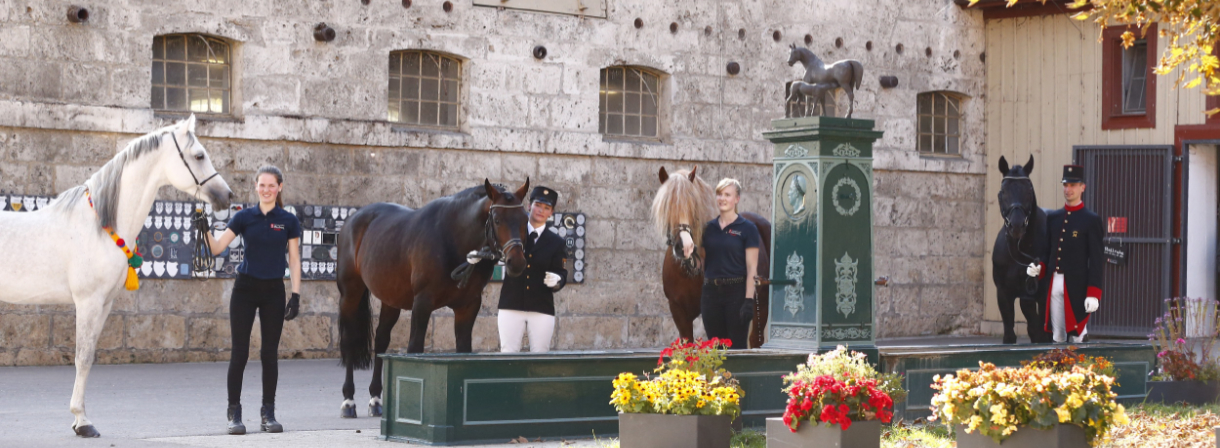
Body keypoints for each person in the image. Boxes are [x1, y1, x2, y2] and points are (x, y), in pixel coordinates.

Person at [197, 166, 302, 435]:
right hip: (245, 289)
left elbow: (294, 259)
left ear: (279, 187)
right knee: (240, 353)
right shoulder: (244, 217)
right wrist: (205, 230)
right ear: (256, 187)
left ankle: (268, 413)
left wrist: (296, 294)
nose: (266, 189)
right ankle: (234, 412)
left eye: (271, 185)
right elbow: (218, 247)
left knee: (269, 354)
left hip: (274, 292)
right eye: (262, 185)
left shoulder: (288, 220)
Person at [1030, 164, 1104, 343]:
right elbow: (1048, 251)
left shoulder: (1091, 220)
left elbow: (1096, 260)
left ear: (1082, 187)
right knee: (1058, 336)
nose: (1068, 189)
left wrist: (1093, 292)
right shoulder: (1054, 218)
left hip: (1076, 287)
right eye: (1066, 185)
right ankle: (1060, 370)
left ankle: (1082, 370)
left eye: (1073, 185)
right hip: (1054, 282)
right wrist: (1039, 267)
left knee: (1078, 335)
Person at [490, 186, 568, 353]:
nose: (541, 210)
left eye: (546, 208)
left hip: (541, 307)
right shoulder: (513, 234)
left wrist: (558, 280)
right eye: (538, 205)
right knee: (508, 355)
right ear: (529, 206)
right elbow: (494, 249)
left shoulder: (556, 242)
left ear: (551, 213)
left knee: (540, 355)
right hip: (511, 304)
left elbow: (562, 271)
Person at [700, 178, 760, 349]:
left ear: (737, 199)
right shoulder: (707, 228)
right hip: (710, 295)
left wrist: (748, 300)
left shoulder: (748, 228)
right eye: (719, 194)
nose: (722, 198)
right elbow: (699, 258)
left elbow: (752, 268)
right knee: (715, 349)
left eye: (727, 194)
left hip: (737, 294)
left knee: (736, 348)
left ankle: (736, 377)